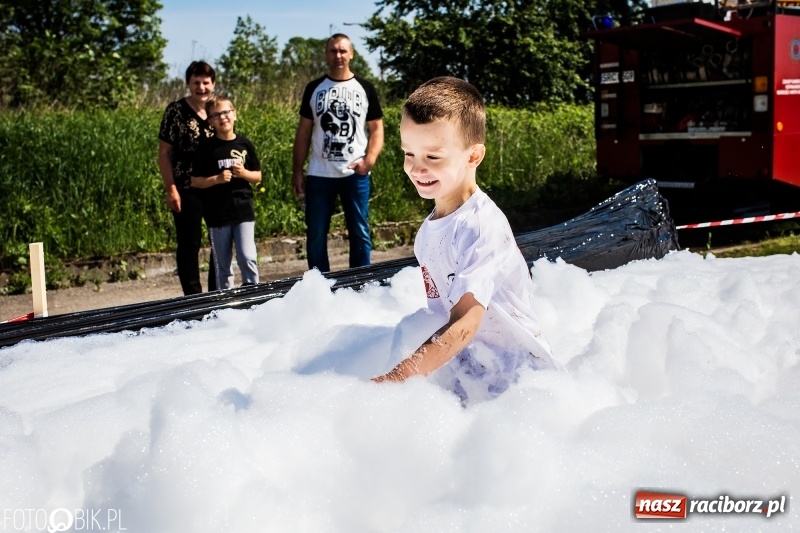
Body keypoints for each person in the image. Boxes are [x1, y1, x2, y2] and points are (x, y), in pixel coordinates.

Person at [372, 77, 556, 404]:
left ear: (474, 156)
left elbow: (466, 323)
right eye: (409, 153)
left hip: (521, 378)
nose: (417, 167)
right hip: (470, 367)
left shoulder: (481, 226)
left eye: (433, 156)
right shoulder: (427, 233)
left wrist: (397, 378)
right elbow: (439, 314)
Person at [292, 33, 385, 272]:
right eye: (333, 50)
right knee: (315, 233)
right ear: (326, 54)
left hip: (354, 172)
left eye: (343, 50)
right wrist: (297, 171)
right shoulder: (314, 88)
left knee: (359, 231)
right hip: (319, 173)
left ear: (351, 54)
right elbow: (303, 132)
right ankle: (319, 286)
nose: (338, 55)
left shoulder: (365, 88)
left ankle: (361, 282)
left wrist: (370, 160)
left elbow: (377, 129)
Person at [158, 61, 218, 295]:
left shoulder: (219, 108)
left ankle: (217, 292)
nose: (201, 87)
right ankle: (192, 296)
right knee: (189, 243)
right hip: (186, 186)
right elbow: (164, 153)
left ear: (213, 83)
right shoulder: (176, 111)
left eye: (206, 82)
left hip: (216, 185)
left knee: (219, 242)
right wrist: (171, 188)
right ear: (188, 84)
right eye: (196, 83)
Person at [190, 96, 262, 290]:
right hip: (217, 214)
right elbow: (195, 181)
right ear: (210, 121)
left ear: (234, 114)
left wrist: (244, 173)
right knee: (223, 264)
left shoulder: (244, 145)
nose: (222, 118)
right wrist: (217, 179)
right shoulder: (206, 148)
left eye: (226, 112)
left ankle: (253, 294)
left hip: (243, 211)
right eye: (216, 115)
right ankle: (226, 302)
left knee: (247, 257)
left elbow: (258, 177)